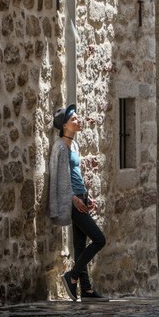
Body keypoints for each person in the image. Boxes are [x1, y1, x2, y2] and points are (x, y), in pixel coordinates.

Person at [49, 104, 108, 302]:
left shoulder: (74, 145)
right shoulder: (59, 147)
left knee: (80, 246)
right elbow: (57, 179)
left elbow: (75, 175)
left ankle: (87, 290)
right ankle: (71, 275)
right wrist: (73, 199)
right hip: (72, 201)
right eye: (73, 119)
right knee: (99, 239)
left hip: (80, 197)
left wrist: (85, 195)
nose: (78, 121)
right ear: (64, 125)